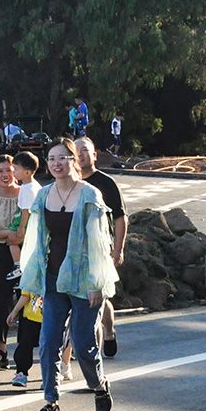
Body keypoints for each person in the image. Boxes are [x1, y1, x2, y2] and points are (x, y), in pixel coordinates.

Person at [16, 137, 118, 411]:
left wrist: (97, 283)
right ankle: (51, 401)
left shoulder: (90, 195)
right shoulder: (43, 195)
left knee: (83, 343)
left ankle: (99, 384)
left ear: (74, 160)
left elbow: (100, 243)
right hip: (53, 278)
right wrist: (35, 280)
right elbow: (37, 241)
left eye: (62, 157)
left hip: (85, 280)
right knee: (48, 341)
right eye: (51, 158)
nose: (56, 163)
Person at [75, 136, 126, 358]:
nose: (80, 155)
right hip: (75, 251)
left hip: (101, 250)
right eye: (76, 151)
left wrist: (118, 249)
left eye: (85, 151)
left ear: (94, 155)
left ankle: (109, 331)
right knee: (80, 299)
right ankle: (83, 349)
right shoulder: (69, 183)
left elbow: (120, 217)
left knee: (100, 297)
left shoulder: (106, 183)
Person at [0, 155, 24, 370]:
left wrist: (19, 237)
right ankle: (1, 348)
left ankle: (24, 349)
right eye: (0, 171)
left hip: (27, 252)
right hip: (3, 252)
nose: (5, 174)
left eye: (9, 170)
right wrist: (9, 234)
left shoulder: (27, 194)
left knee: (27, 299)